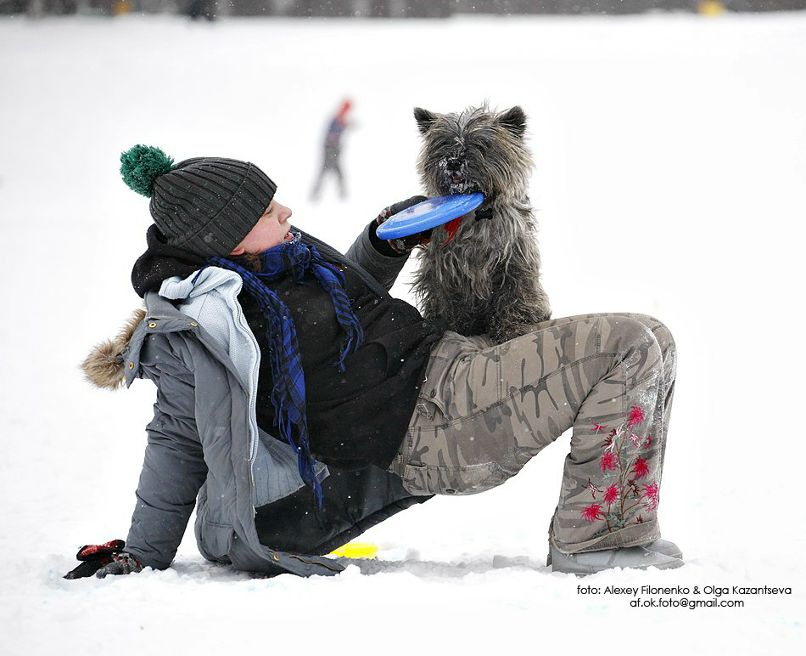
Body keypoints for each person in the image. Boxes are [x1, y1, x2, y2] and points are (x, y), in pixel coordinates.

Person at [66, 145, 682, 580]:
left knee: (655, 337)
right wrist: (144, 553)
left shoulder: (288, 259)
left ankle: (618, 529)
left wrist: (385, 241)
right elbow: (177, 437)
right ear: (228, 239)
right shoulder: (197, 322)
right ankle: (591, 541)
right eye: (267, 210)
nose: (287, 213)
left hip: (445, 368)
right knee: (628, 345)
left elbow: (348, 304)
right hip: (431, 428)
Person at [310, 99, 352, 201]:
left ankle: (341, 193)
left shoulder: (341, 119)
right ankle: (317, 193)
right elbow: (331, 134)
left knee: (332, 170)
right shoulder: (337, 119)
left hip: (333, 149)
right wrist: (333, 144)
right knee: (327, 170)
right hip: (330, 148)